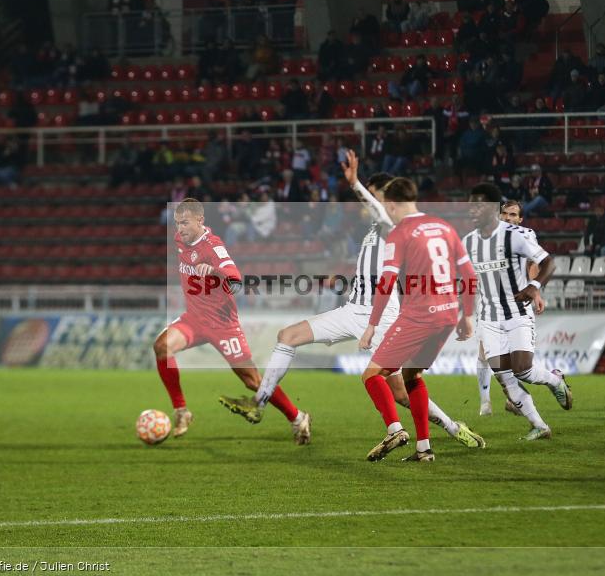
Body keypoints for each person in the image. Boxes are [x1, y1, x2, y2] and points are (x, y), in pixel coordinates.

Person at [219, 157, 485, 450]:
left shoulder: (393, 226)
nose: (365, 204)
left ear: (387, 198)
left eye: (374, 196)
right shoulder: (375, 229)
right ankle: (260, 402)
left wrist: (355, 183)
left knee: (400, 392)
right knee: (287, 336)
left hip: (381, 316)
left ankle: (450, 427)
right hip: (351, 309)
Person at [153, 199, 311, 443]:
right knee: (162, 346)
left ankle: (298, 417)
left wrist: (214, 271)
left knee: (252, 381)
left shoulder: (214, 248)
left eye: (184, 223)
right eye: (177, 223)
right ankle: (182, 411)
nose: (180, 228)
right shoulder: (179, 240)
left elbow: (235, 278)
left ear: (200, 220)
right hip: (194, 318)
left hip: (222, 324)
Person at [357, 177, 479, 462]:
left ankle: (395, 430)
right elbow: (470, 276)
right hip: (448, 315)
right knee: (413, 375)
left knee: (372, 375)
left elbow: (386, 281)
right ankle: (424, 449)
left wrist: (372, 324)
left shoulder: (400, 232)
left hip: (419, 316)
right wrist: (468, 316)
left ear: (391, 204)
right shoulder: (444, 227)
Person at [463, 183, 571, 441]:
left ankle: (555, 381)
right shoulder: (468, 242)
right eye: (471, 206)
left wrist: (534, 288)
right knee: (504, 377)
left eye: (478, 205)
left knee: (523, 370)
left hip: (517, 312)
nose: (472, 210)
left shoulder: (516, 235)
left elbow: (547, 262)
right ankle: (540, 425)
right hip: (488, 317)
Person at [474, 199, 547, 416]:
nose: (508, 218)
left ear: (521, 219)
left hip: (516, 302)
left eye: (513, 215)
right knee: (486, 352)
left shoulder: (526, 234)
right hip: (490, 299)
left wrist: (536, 292)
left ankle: (516, 398)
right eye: (505, 214)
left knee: (517, 360)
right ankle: (485, 401)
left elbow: (533, 264)